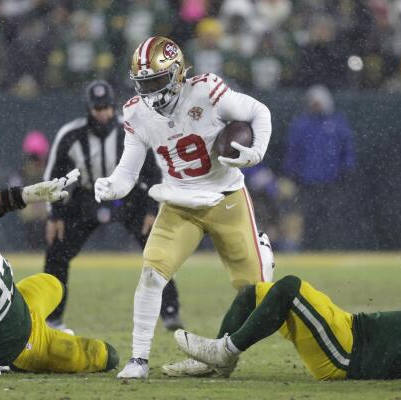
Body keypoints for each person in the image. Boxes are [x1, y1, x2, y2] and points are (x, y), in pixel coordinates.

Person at [94, 36, 272, 379]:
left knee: (256, 293)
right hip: (179, 201)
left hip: (226, 198)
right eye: (144, 83)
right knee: (151, 273)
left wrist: (258, 151)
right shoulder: (135, 111)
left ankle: (221, 351)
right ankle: (139, 360)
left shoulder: (206, 91)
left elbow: (258, 112)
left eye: (158, 81)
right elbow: (127, 172)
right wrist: (111, 185)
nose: (152, 92)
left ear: (177, 73)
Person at [0, 170, 118, 378]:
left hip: (21, 305)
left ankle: (46, 325)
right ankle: (49, 341)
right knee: (106, 356)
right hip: (21, 347)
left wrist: (32, 193)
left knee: (54, 284)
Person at [43, 79, 183, 332]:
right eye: (98, 108)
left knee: (157, 251)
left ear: (114, 106)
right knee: (56, 253)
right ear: (89, 108)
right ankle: (52, 317)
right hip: (87, 197)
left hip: (129, 198)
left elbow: (154, 173)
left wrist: (152, 210)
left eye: (107, 107)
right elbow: (55, 178)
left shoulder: (132, 129)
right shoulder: (71, 134)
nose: (103, 113)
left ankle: (170, 311)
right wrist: (55, 215)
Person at [167, 273, 401, 383]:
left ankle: (225, 351)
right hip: (351, 327)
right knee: (254, 292)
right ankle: (213, 363)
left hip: (350, 354)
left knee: (289, 288)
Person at [283, 84, 356, 250]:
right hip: (307, 183)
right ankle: (309, 249)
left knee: (331, 220)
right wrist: (292, 174)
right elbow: (293, 151)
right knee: (308, 220)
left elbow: (347, 150)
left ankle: (331, 249)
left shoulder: (337, 123)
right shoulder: (301, 125)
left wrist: (346, 171)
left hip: (331, 183)